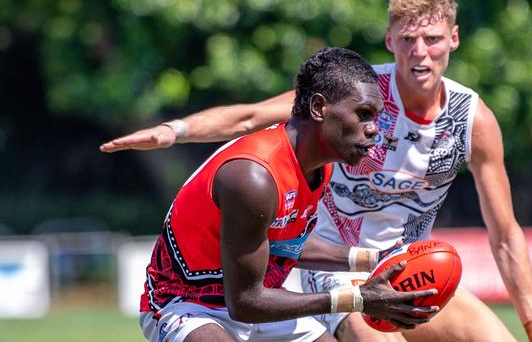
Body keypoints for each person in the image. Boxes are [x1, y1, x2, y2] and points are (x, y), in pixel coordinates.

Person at [102, 0, 532, 342]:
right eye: (408, 39)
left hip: (385, 261)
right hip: (228, 295)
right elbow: (251, 115)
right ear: (389, 39)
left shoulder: (466, 118)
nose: (419, 52)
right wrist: (175, 130)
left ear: (453, 38)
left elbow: (506, 235)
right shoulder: (346, 95)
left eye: (432, 39)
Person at [136, 47, 439, 342]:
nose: (373, 129)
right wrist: (356, 299)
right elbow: (245, 302)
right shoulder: (254, 176)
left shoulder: (319, 165)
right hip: (190, 305)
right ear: (319, 108)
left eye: (375, 116)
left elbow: (282, 241)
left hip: (256, 305)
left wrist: (373, 259)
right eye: (363, 114)